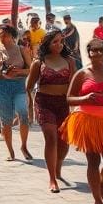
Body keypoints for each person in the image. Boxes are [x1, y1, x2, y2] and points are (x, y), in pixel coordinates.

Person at [61, 38, 103, 204]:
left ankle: (102, 182)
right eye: (93, 50)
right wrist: (85, 98)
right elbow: (69, 98)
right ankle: (97, 201)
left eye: (101, 50)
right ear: (88, 53)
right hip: (87, 120)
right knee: (93, 161)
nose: (97, 53)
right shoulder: (82, 73)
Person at [26, 30, 75, 192]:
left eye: (61, 41)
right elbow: (29, 87)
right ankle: (52, 178)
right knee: (51, 138)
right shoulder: (38, 62)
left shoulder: (69, 61)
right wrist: (30, 108)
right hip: (44, 102)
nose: (59, 45)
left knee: (64, 143)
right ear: (47, 44)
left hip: (63, 104)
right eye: (55, 41)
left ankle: (58, 167)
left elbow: (74, 86)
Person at [0, 24, 32, 161]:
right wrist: (3, 71)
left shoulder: (21, 49)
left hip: (19, 85)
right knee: (6, 120)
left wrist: (18, 71)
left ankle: (24, 146)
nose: (2, 37)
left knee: (23, 114)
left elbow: (31, 70)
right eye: (0, 35)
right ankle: (10, 151)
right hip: (2, 87)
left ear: (12, 36)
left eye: (5, 35)